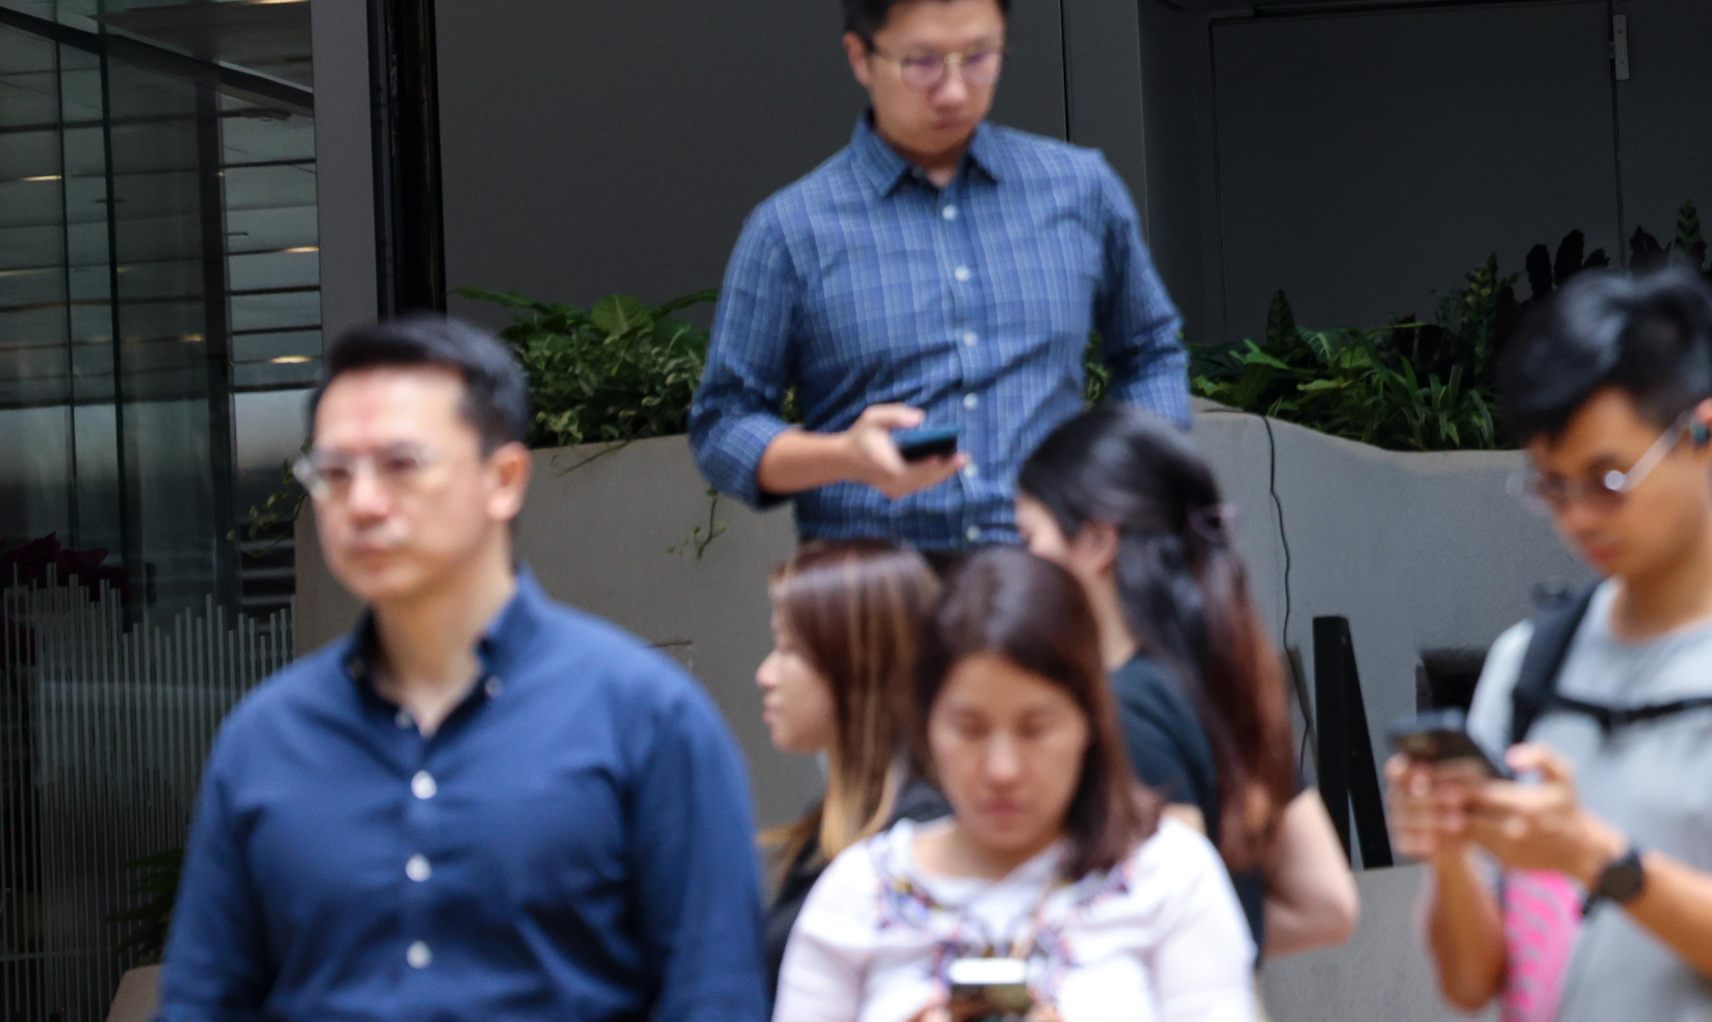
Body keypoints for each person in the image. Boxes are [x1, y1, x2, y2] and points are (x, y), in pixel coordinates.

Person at [157, 312, 767, 1022]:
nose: (363, 503)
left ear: (503, 479)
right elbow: (202, 1003)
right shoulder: (265, 738)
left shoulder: (645, 716)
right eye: (334, 473)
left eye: (401, 464)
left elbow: (715, 994)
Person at [1391, 263, 1712, 1022]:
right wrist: (1446, 849)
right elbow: (1471, 983)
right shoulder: (1526, 664)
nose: (1578, 517)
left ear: (1704, 434)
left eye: (1608, 480)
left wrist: (1596, 858)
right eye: (1552, 486)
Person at [691, 0, 1191, 551]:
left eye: (980, 58)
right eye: (923, 63)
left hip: (1045, 576)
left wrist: (1119, 492)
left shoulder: (1079, 190)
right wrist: (841, 457)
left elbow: (1150, 354)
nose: (954, 91)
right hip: (876, 584)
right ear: (860, 57)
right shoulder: (792, 230)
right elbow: (724, 423)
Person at [775, 546, 1260, 1021]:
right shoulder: (858, 893)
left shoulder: (1168, 875)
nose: (1002, 770)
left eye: (1035, 729)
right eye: (970, 730)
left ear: (1089, 722)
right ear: (926, 724)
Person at [1018, 404, 1360, 960]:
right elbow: (1326, 904)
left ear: (1097, 542)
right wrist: (1229, 935)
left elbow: (1157, 926)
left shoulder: (1125, 713)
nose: (1023, 560)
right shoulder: (1218, 682)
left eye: (1028, 536)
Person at [756, 539, 949, 994]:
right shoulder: (834, 825)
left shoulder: (918, 843)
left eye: (787, 648)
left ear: (857, 663)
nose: (765, 674)